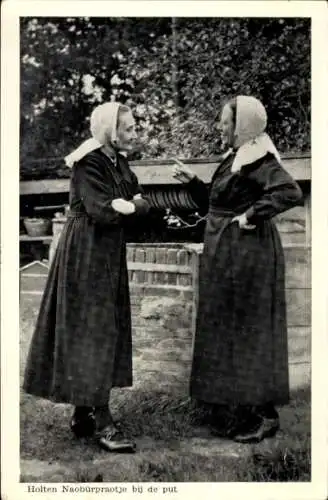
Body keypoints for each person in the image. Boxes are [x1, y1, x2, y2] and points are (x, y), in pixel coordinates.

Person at [173, 95, 303, 444]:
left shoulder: (259, 159)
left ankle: (266, 416)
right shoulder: (236, 157)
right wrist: (192, 182)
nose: (219, 126)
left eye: (225, 121)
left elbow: (290, 192)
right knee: (228, 324)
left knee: (251, 326)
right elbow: (217, 204)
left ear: (242, 125)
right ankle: (237, 410)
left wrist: (250, 216)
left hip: (249, 254)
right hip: (225, 251)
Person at [23, 102, 150, 453]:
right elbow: (103, 211)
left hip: (107, 251)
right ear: (110, 132)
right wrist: (129, 205)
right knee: (93, 328)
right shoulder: (88, 162)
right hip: (86, 251)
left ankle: (83, 413)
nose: (134, 132)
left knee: (100, 327)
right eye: (128, 128)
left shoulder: (119, 162)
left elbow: (139, 203)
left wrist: (132, 205)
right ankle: (104, 421)